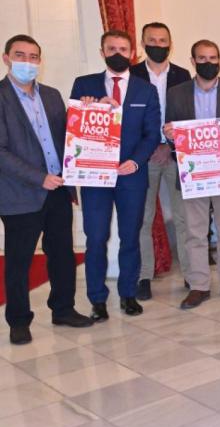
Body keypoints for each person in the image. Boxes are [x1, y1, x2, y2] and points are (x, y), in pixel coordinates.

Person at [0, 35, 93, 344]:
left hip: (58, 189)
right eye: (20, 55)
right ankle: (18, 320)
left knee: (62, 254)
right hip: (20, 192)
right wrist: (38, 177)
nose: (28, 62)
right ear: (6, 58)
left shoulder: (52, 96)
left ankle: (63, 308)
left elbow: (71, 135)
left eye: (34, 56)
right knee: (19, 259)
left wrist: (91, 112)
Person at [71, 30, 161, 320]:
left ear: (132, 52)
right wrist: (91, 107)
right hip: (95, 176)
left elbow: (151, 134)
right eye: (112, 49)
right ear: (102, 52)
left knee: (130, 236)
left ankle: (128, 294)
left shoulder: (145, 90)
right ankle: (97, 298)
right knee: (96, 237)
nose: (118, 54)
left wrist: (136, 162)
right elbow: (74, 128)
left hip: (131, 176)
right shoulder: (84, 85)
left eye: (123, 49)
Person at [163, 40, 220, 309]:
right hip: (194, 174)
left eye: (213, 57)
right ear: (193, 61)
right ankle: (199, 285)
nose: (209, 62)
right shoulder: (176, 94)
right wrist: (168, 136)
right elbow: (171, 136)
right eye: (202, 58)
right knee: (195, 232)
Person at [130, 22, 191, 299]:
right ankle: (144, 276)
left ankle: (192, 275)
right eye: (152, 40)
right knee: (143, 218)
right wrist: (151, 146)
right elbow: (129, 121)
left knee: (185, 218)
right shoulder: (130, 74)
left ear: (170, 43)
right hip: (144, 157)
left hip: (178, 155)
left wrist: (170, 144)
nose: (158, 44)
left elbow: (187, 114)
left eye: (163, 40)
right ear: (143, 43)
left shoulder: (183, 74)